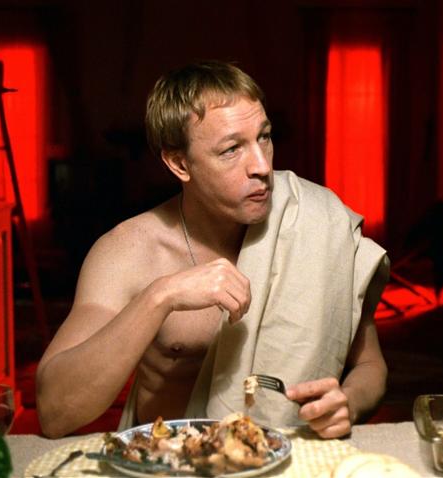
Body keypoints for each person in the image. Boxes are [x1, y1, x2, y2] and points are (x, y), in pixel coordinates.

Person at [36, 60, 389, 440]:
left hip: (285, 455)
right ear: (179, 163)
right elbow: (55, 411)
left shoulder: (314, 220)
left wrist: (349, 403)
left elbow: (370, 366)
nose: (261, 166)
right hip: (170, 459)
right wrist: (161, 296)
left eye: (264, 137)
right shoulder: (129, 253)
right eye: (232, 149)